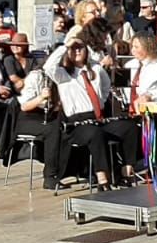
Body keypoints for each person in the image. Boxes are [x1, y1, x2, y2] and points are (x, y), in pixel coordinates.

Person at [45, 36, 141, 189]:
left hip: (97, 117)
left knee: (129, 127)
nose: (77, 51)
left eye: (80, 48)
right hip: (77, 123)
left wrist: (100, 102)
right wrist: (66, 45)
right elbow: (48, 67)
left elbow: (106, 86)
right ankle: (103, 178)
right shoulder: (63, 74)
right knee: (95, 133)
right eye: (73, 49)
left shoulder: (96, 69)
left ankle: (126, 172)